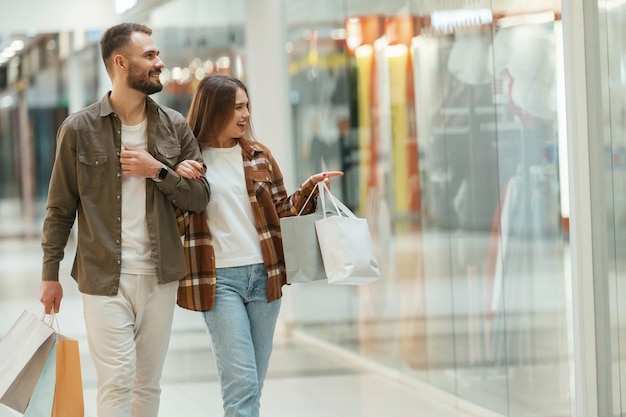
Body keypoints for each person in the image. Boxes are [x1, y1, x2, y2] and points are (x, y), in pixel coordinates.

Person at [39, 23, 210, 417]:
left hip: (159, 276)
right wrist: (50, 273)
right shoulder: (79, 130)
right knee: (117, 380)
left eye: (157, 54)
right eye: (149, 56)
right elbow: (60, 207)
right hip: (103, 278)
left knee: (147, 386)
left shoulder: (174, 125)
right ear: (120, 63)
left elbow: (200, 198)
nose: (160, 62)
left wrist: (159, 171)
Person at [175, 73, 342, 417]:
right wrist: (177, 178)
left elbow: (282, 211)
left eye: (247, 105)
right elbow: (174, 221)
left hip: (265, 279)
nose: (246, 114)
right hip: (218, 282)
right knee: (243, 385)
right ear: (215, 109)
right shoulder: (191, 161)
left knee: (253, 384)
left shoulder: (258, 155)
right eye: (237, 107)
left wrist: (309, 188)